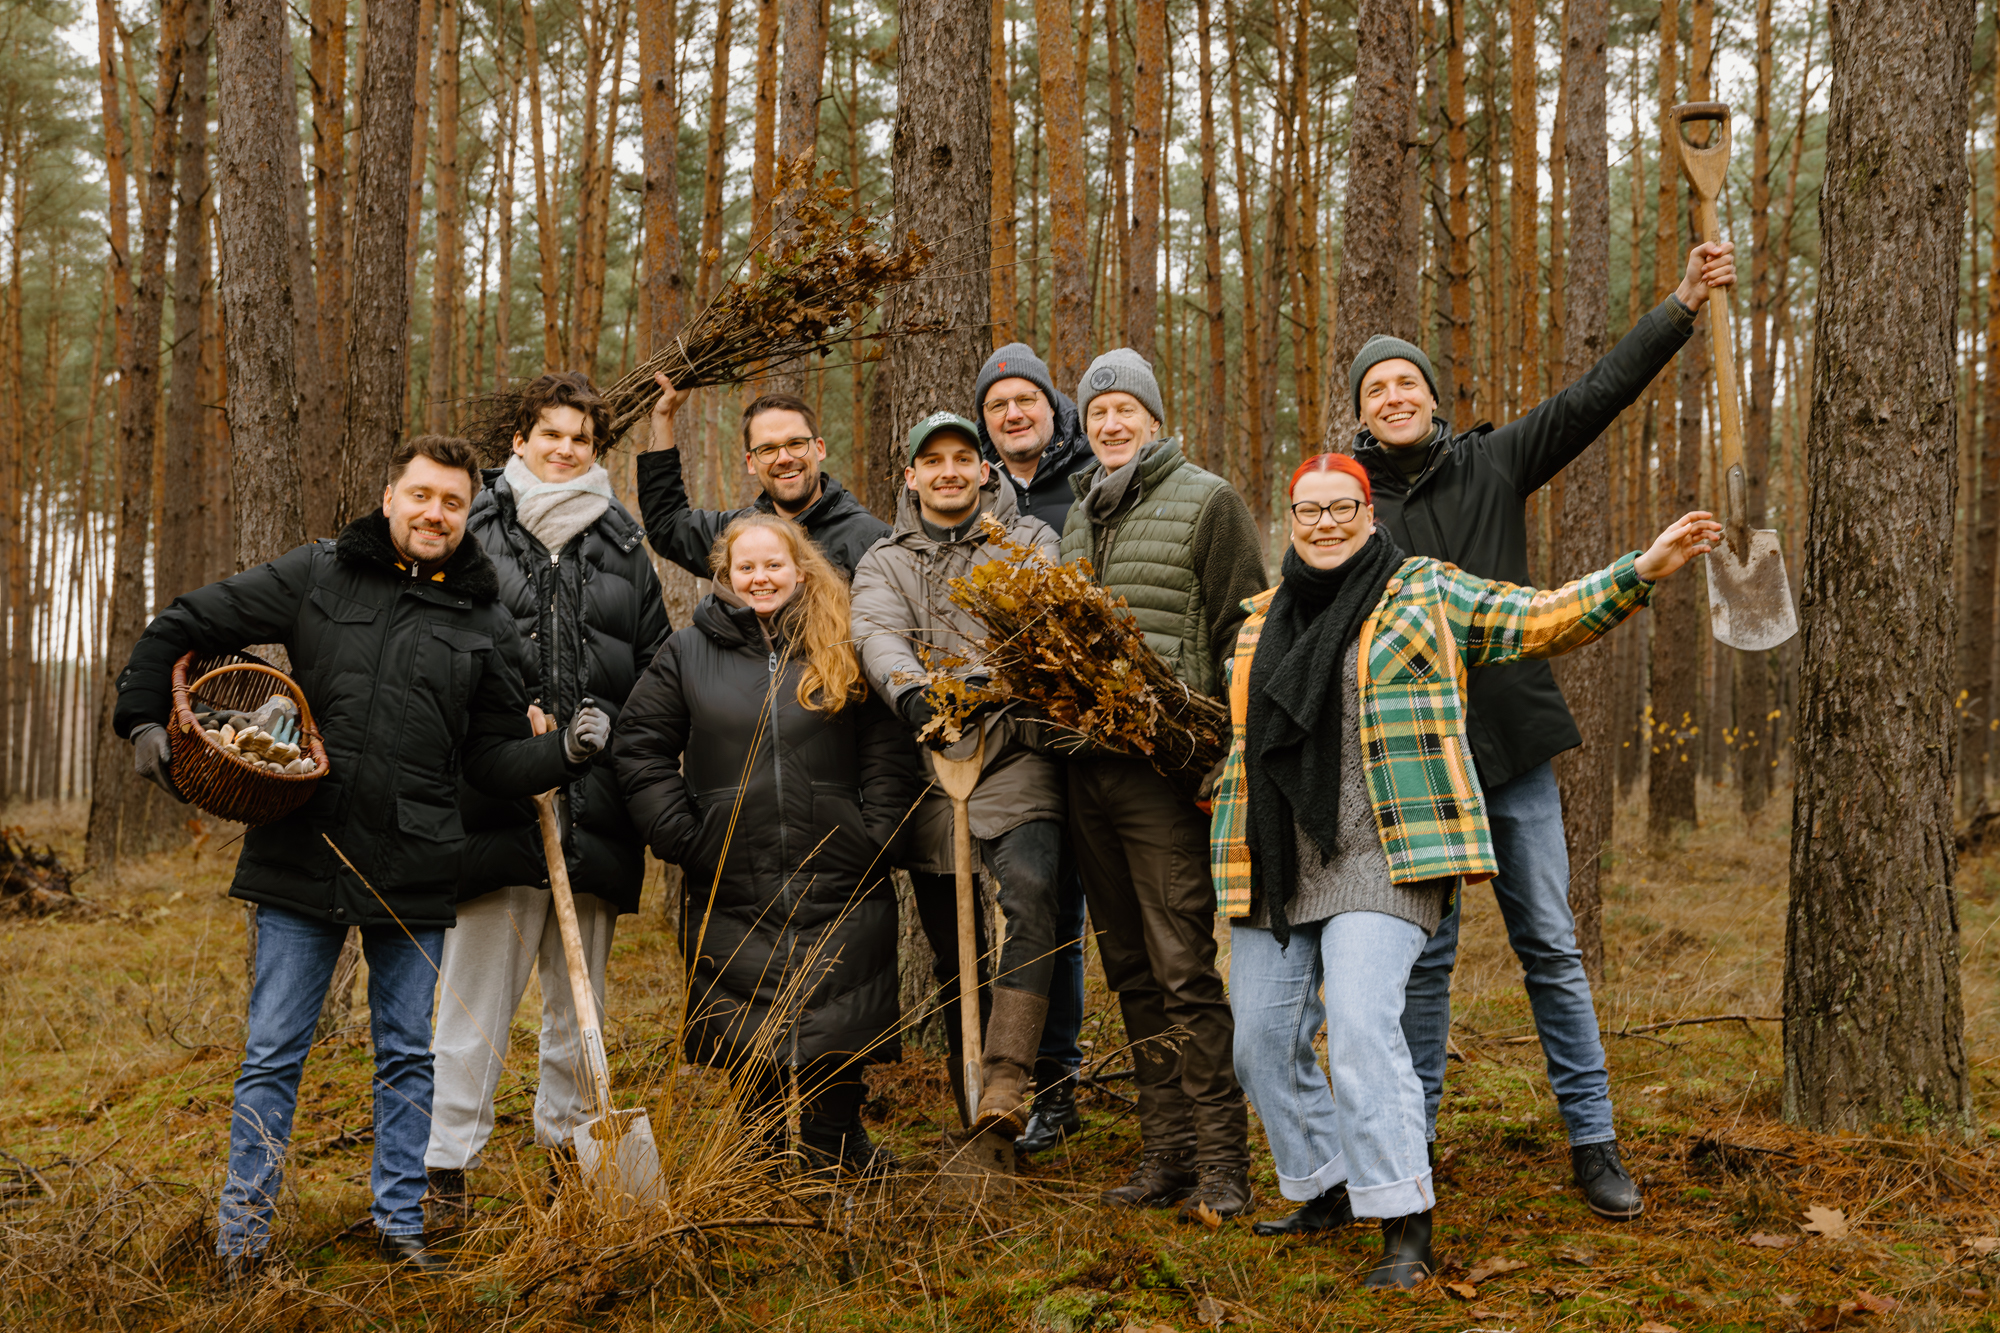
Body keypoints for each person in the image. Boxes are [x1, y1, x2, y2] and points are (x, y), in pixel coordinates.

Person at [1213, 453, 1720, 1286]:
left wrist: (1642, 570)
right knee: (1261, 1041)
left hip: (1385, 853)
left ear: (1369, 515)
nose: (1327, 522)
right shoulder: (1259, 618)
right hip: (1277, 858)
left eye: (1344, 507)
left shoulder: (1423, 592)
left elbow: (1540, 617)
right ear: (1290, 522)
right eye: (1310, 511)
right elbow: (1241, 742)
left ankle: (1404, 1217)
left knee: (1364, 1029)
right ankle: (1327, 1183)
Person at [113, 436, 604, 1282]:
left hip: (415, 863)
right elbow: (189, 619)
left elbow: (490, 758)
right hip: (305, 847)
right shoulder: (320, 572)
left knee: (409, 1054)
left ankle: (399, 1222)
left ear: (468, 513)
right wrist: (142, 718)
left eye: (452, 502)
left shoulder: (485, 619)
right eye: (421, 496)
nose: (434, 513)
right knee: (273, 1050)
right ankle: (243, 1240)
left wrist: (568, 752)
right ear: (390, 497)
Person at [1348, 240, 1737, 1221]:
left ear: (1430, 398)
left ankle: (1592, 1141)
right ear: (1358, 408)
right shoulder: (1342, 504)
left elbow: (1590, 399)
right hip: (1415, 766)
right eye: (1375, 386)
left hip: (1513, 742)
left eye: (1406, 381)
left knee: (1549, 946)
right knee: (1423, 962)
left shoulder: (1490, 460)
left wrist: (1680, 304)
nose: (1393, 395)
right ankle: (1414, 1138)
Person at [424, 373, 672, 1219]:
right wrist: (502, 727)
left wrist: (614, 739)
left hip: (595, 805)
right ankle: (445, 1169)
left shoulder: (622, 539)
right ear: (520, 438)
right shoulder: (477, 528)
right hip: (494, 799)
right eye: (550, 433)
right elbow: (439, 643)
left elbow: (654, 665)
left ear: (597, 449)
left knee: (581, 1005)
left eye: (581, 437)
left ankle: (573, 1156)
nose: (565, 449)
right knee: (474, 1004)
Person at [614, 513, 919, 1174]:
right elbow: (639, 746)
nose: (759, 577)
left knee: (838, 1002)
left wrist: (877, 829)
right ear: (724, 576)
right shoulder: (688, 652)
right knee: (745, 1008)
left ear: (800, 569)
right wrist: (682, 833)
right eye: (744, 567)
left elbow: (887, 746)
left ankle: (833, 1140)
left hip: (840, 861)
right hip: (730, 867)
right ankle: (753, 1148)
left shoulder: (841, 638)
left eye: (772, 564)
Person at [1057, 349, 1268, 1220]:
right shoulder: (1077, 515)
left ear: (1152, 416)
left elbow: (1245, 635)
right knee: (1132, 972)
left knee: (1184, 967)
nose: (1110, 424)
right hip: (1087, 774)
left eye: (1124, 409)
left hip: (1167, 777)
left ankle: (1224, 1165)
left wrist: (1225, 760)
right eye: (1097, 411)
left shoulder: (1207, 500)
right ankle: (1165, 1156)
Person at [850, 411, 1066, 1134]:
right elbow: (876, 631)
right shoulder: (884, 560)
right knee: (954, 944)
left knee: (1034, 896)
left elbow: (1039, 622)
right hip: (932, 761)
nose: (948, 470)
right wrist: (915, 693)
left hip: (1012, 750)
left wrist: (978, 682)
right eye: (932, 460)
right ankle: (971, 1103)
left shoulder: (1027, 539)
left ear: (984, 471)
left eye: (962, 458)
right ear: (910, 476)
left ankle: (1008, 1077)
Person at [970, 344, 1099, 1154]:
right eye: (998, 405)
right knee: (1047, 908)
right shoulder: (972, 493)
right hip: (1009, 743)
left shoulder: (1087, 484)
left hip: (1091, 727)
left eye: (1027, 400)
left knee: (1100, 905)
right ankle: (1049, 1083)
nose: (1014, 414)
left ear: (1054, 408)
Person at [642, 377, 889, 580]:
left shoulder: (875, 543)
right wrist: (663, 418)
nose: (784, 458)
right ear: (751, 462)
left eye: (796, 443)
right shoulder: (736, 535)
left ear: (820, 449)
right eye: (768, 450)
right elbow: (667, 525)